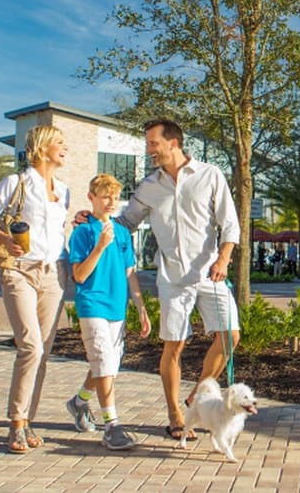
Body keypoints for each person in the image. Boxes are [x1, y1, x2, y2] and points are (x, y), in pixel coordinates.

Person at [77, 119, 240, 442]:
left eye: (153, 143)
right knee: (174, 346)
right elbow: (126, 223)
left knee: (230, 337)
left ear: (173, 143)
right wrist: (92, 217)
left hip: (210, 272)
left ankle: (197, 394)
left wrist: (223, 259)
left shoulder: (210, 175)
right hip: (173, 278)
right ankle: (175, 415)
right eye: (148, 143)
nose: (149, 149)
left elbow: (230, 224)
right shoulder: (149, 185)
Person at [0, 125, 70, 454]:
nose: (65, 148)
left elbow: (57, 231)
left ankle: (28, 421)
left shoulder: (64, 190)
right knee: (30, 346)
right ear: (41, 148)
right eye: (59, 142)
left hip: (54, 273)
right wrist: (5, 239)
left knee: (43, 351)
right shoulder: (15, 183)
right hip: (18, 271)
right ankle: (16, 422)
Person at [65, 174, 151, 449]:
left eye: (115, 197)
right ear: (91, 197)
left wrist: (140, 307)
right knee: (103, 361)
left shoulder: (123, 232)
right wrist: (100, 246)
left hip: (117, 307)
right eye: (105, 196)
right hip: (92, 304)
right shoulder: (82, 232)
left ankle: (79, 402)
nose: (111, 201)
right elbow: (79, 275)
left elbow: (130, 272)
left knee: (107, 365)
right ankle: (112, 425)